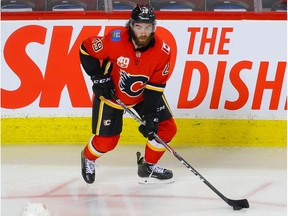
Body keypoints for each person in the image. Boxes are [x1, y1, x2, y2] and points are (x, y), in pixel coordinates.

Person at [79, 4, 177, 184]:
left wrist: (150, 116)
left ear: (154, 28)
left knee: (166, 128)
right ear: (130, 25)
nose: (143, 32)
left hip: (142, 95)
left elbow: (155, 87)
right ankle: (88, 157)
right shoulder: (115, 40)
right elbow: (85, 49)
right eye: (139, 27)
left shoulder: (163, 52)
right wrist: (98, 77)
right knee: (107, 142)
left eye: (148, 27)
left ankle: (147, 166)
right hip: (111, 96)